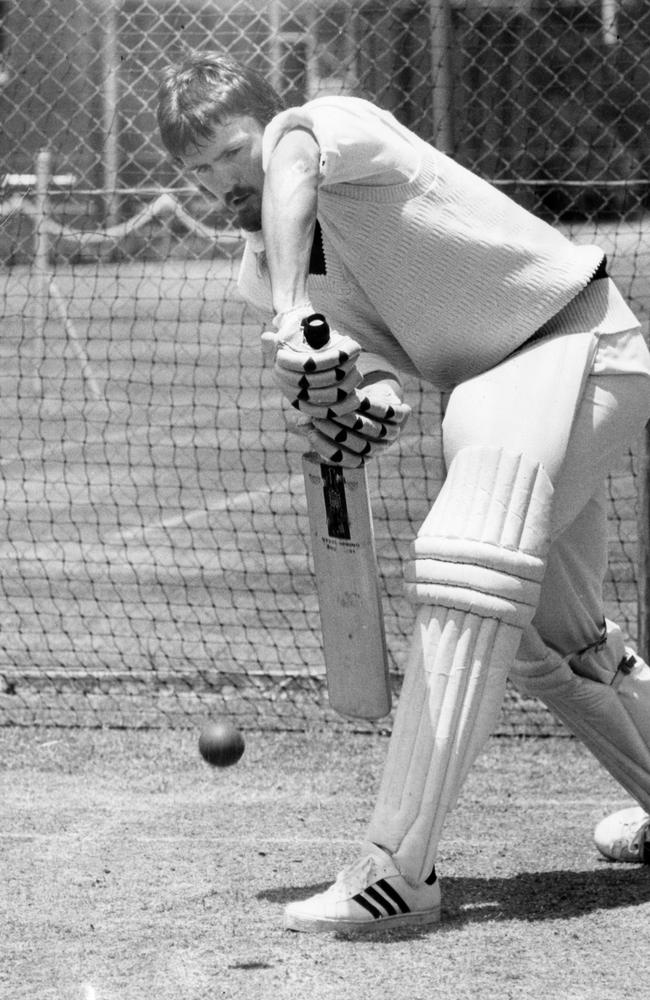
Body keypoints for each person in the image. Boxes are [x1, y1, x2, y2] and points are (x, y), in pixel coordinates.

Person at [157, 51, 650, 933]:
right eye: (196, 171)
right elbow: (381, 389)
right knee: (555, 641)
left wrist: (287, 316)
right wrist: (344, 403)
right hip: (502, 391)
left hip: (572, 340)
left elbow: (296, 157)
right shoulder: (260, 268)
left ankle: (397, 869)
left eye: (232, 152)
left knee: (465, 548)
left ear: (270, 124)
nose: (220, 181)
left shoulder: (337, 126)